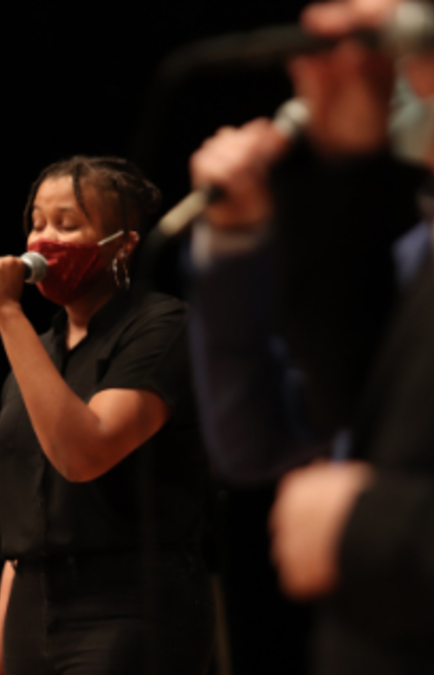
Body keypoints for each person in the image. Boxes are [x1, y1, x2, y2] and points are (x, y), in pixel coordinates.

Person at [187, 1, 434, 671]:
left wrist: (366, 531)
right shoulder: (388, 237)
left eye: (382, 43)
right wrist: (246, 234)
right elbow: (261, 435)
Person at [0, 157, 214, 675]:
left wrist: (7, 312)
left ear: (122, 243)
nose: (43, 239)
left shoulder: (162, 326)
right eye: (37, 223)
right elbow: (25, 532)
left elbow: (85, 453)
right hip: (31, 614)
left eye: (67, 223)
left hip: (128, 606)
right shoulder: (33, 356)